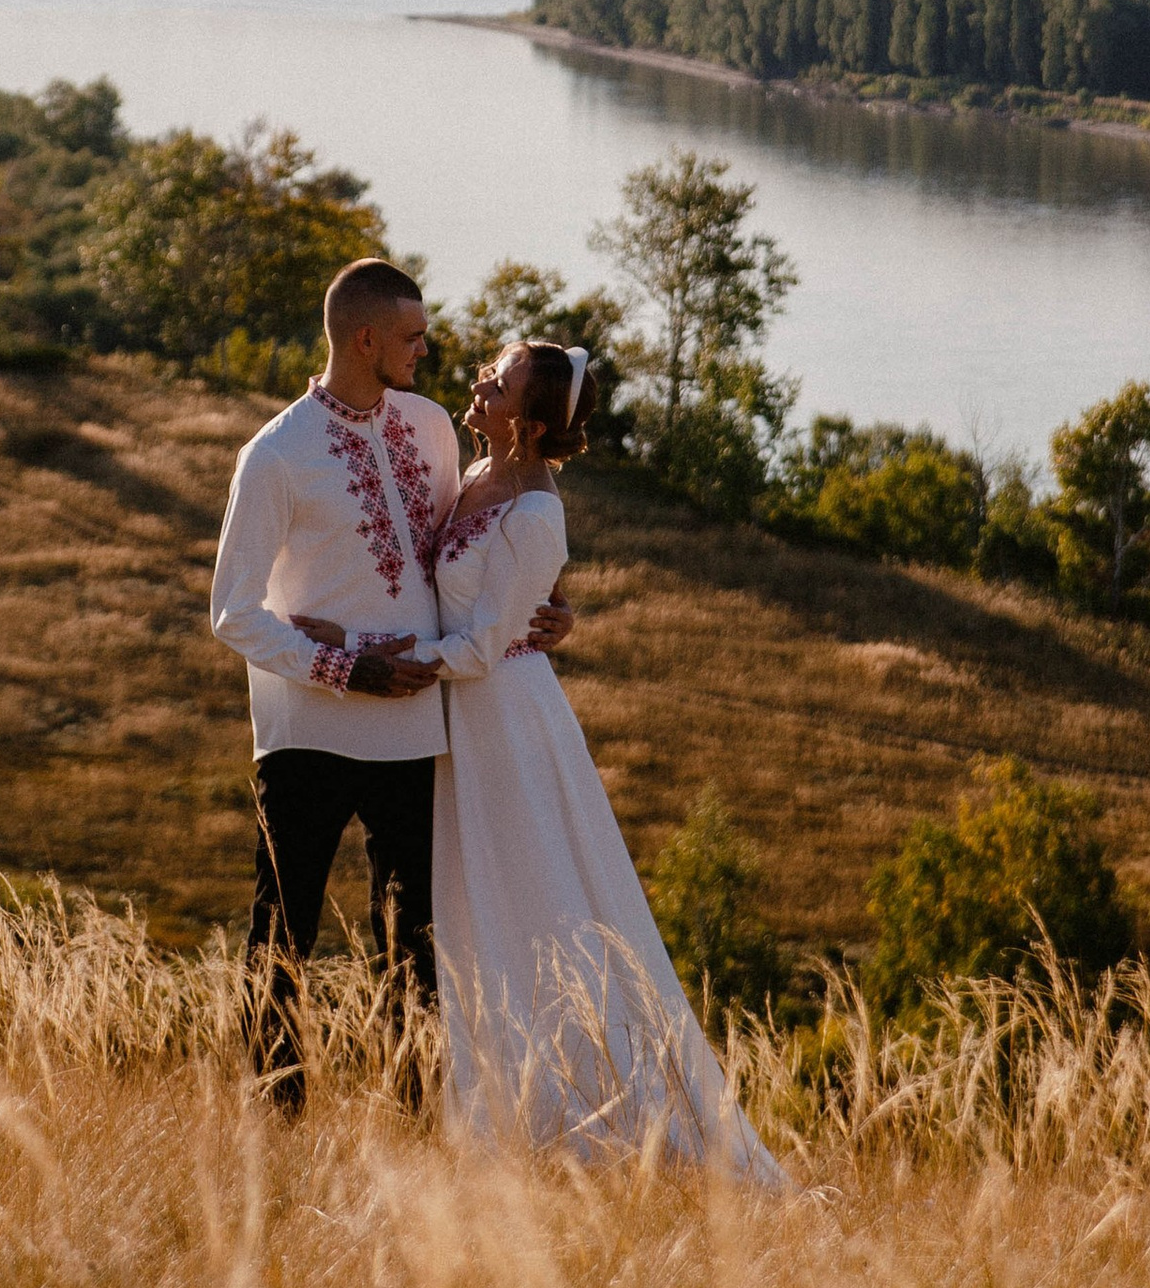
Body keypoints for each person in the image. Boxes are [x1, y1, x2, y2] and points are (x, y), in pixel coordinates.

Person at [208, 256, 572, 1111]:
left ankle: (416, 1113)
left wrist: (551, 604)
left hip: (414, 726)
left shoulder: (432, 426)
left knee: (414, 938)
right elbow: (232, 614)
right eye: (413, 336)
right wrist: (345, 668)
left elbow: (470, 550)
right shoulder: (276, 456)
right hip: (306, 730)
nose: (427, 350)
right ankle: (275, 1118)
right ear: (365, 340)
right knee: (283, 929)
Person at [426, 339, 785, 1183]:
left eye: (500, 383)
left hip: (503, 719)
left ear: (532, 424)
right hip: (461, 716)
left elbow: (482, 643)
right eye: (492, 374)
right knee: (471, 897)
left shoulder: (536, 513)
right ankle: (477, 1098)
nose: (481, 383)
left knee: (531, 896)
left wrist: (372, 657)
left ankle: (573, 1112)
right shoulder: (471, 472)